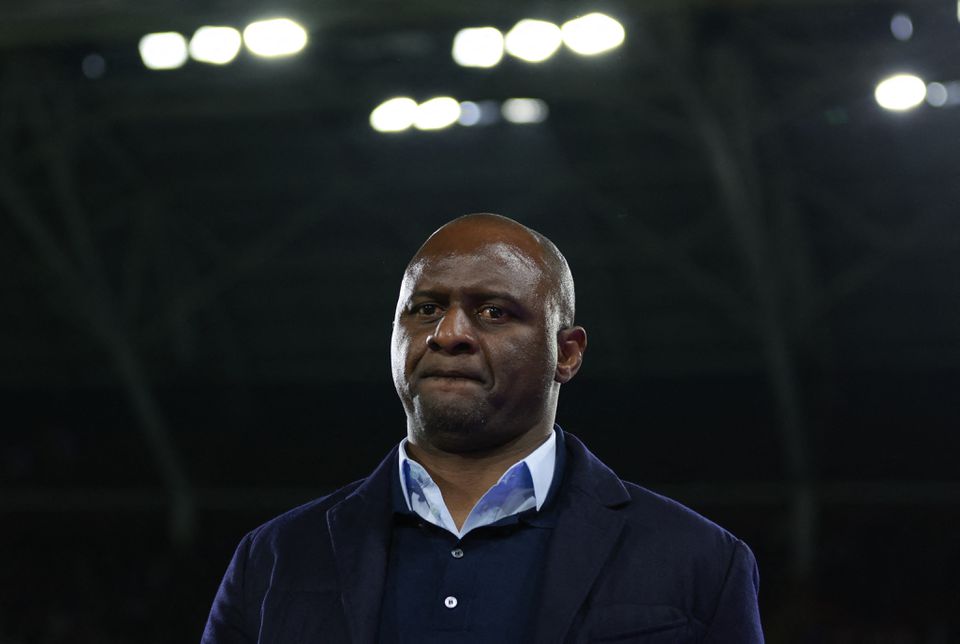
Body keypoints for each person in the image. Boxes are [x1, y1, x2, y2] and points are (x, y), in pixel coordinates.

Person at [202, 213, 764, 643]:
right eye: (425, 309)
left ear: (566, 353)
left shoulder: (699, 560)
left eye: (493, 311)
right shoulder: (275, 557)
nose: (449, 333)